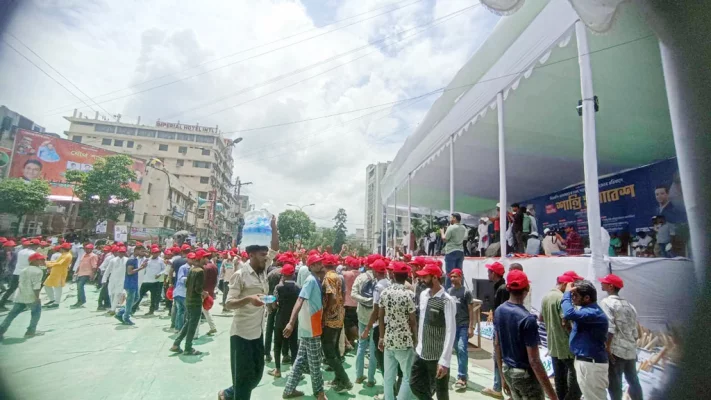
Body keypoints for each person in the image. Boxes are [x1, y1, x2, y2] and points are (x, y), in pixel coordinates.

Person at [218, 216, 278, 400]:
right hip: (242, 334)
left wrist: (274, 226)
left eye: (266, 255)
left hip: (257, 332)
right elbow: (228, 303)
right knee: (244, 381)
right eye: (262, 254)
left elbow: (275, 248)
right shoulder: (240, 274)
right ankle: (233, 394)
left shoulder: (262, 267)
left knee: (256, 375)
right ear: (251, 255)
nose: (266, 257)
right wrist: (249, 299)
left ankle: (228, 394)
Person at [494, 269, 558, 400]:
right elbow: (534, 361)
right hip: (524, 376)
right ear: (527, 289)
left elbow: (496, 346)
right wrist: (552, 395)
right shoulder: (528, 319)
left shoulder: (499, 311)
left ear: (508, 288)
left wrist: (502, 377)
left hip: (508, 370)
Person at [282, 254, 327, 400]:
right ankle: (319, 392)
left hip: (310, 325)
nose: (321, 265)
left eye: (321, 262)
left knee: (301, 359)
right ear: (311, 267)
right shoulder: (311, 281)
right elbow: (300, 300)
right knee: (315, 361)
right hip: (311, 326)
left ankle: (289, 389)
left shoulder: (315, 280)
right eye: (317, 263)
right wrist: (291, 322)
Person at [410, 263, 456, 400]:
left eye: (425, 277)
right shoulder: (424, 294)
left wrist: (444, 361)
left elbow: (450, 331)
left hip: (437, 356)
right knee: (415, 384)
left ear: (435, 277)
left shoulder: (447, 301)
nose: (422, 280)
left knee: (442, 393)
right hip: (421, 351)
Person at [561, 280, 609, 400]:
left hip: (591, 364)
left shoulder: (593, 313)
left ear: (587, 298)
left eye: (575, 295)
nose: (573, 298)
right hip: (587, 363)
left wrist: (566, 294)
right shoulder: (587, 312)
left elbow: (569, 313)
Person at [598, 274, 642, 400]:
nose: (601, 284)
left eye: (604, 282)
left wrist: (607, 348)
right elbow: (635, 331)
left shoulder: (606, 303)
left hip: (616, 350)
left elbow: (610, 328)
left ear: (610, 286)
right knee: (633, 380)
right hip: (630, 350)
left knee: (615, 383)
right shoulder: (629, 305)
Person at [378, 261, 417, 400]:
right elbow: (413, 321)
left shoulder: (385, 293)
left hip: (389, 339)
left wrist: (381, 338)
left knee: (389, 377)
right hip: (404, 341)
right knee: (407, 376)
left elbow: (380, 317)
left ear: (393, 275)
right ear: (406, 276)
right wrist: (416, 341)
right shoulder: (409, 295)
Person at [540, 274, 581, 400]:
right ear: (565, 284)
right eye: (572, 286)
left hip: (553, 344)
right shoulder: (563, 298)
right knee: (576, 378)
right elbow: (565, 322)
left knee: (559, 378)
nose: (573, 291)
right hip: (566, 345)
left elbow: (540, 318)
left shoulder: (546, 296)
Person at [322, 253, 353, 393]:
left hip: (331, 318)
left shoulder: (328, 277)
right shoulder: (338, 276)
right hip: (340, 316)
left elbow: (332, 298)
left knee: (328, 351)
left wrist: (325, 314)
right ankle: (338, 378)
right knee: (334, 350)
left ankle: (345, 380)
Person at [0, 252, 45, 341]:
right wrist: (37, 298)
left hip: (20, 295)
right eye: (40, 259)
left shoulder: (24, 270)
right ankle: (31, 331)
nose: (42, 261)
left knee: (12, 315)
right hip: (31, 296)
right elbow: (36, 286)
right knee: (35, 314)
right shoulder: (38, 271)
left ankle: (1, 330)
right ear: (35, 261)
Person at [170, 250, 206, 355]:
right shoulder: (200, 271)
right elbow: (198, 289)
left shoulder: (192, 269)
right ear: (200, 259)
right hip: (195, 301)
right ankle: (188, 347)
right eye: (205, 257)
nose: (207, 259)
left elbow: (187, 285)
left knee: (188, 322)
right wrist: (204, 293)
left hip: (188, 299)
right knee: (192, 325)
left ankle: (176, 344)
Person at [481, 261, 509, 399]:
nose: (488, 274)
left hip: (501, 330)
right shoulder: (499, 287)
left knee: (499, 357)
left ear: (495, 274)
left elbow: (502, 311)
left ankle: (498, 387)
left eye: (489, 271)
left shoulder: (502, 289)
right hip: (500, 329)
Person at [268, 263, 300, 378]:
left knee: (277, 345)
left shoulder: (278, 287)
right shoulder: (298, 287)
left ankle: (277, 370)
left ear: (283, 275)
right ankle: (295, 372)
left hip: (280, 319)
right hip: (293, 321)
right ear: (293, 275)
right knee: (293, 346)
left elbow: (274, 305)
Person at [446, 268, 475, 391]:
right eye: (451, 277)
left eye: (455, 276)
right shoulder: (449, 291)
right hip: (452, 326)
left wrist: (471, 327)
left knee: (462, 349)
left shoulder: (466, 292)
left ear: (461, 277)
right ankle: (463, 372)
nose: (453, 279)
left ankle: (462, 377)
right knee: (457, 350)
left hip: (463, 325)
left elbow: (470, 310)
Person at [361, 259, 391, 379]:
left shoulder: (378, 286)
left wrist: (367, 329)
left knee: (381, 357)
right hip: (389, 323)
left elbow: (376, 310)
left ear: (376, 271)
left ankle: (388, 391)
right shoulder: (389, 283)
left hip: (380, 325)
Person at [352, 255, 378, 387]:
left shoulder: (360, 277)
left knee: (361, 346)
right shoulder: (381, 279)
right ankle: (371, 379)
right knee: (373, 349)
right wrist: (372, 301)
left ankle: (358, 376)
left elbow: (353, 294)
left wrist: (365, 301)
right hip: (376, 317)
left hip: (362, 315)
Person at [0, 239, 34, 310]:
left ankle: (1, 304)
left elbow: (12, 262)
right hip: (25, 273)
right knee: (26, 289)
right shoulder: (33, 253)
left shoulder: (19, 252)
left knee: (11, 289)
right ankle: (24, 305)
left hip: (16, 272)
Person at [134, 246, 165, 315]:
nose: (155, 254)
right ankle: (133, 309)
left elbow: (164, 269)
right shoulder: (147, 260)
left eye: (157, 253)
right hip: (146, 281)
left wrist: (159, 274)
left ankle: (151, 311)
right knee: (139, 296)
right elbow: (141, 267)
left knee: (153, 298)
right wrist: (143, 265)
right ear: (151, 253)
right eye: (154, 253)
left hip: (155, 282)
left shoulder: (161, 260)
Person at [121, 246, 148, 325]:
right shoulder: (132, 260)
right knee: (130, 300)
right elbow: (129, 272)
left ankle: (122, 312)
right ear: (137, 250)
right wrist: (141, 268)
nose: (144, 253)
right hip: (130, 283)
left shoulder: (135, 259)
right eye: (142, 251)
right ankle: (126, 317)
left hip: (134, 282)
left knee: (136, 298)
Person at [43, 242, 73, 308]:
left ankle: (56, 303)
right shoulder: (63, 254)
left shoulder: (67, 255)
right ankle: (52, 300)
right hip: (55, 272)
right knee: (47, 285)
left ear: (63, 249)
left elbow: (59, 263)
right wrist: (47, 262)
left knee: (57, 288)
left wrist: (47, 264)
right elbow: (56, 262)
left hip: (60, 273)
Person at [441, 213, 466, 289]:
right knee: (459, 273)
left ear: (454, 218)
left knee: (449, 274)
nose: (450, 219)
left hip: (451, 251)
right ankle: (460, 290)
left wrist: (442, 232)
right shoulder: (463, 228)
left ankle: (448, 292)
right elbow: (464, 238)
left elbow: (445, 239)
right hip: (460, 251)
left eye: (451, 217)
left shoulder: (451, 228)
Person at [342, 256, 361, 355]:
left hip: (347, 303)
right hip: (358, 303)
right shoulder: (362, 275)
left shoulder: (346, 274)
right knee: (355, 322)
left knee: (347, 324)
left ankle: (349, 342)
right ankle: (352, 341)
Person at [71, 243, 97, 308]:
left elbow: (94, 266)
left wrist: (92, 275)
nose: (86, 250)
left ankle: (81, 301)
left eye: (88, 249)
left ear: (91, 249)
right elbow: (80, 264)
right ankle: (80, 300)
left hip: (87, 273)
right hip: (80, 273)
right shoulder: (84, 255)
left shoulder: (93, 256)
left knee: (80, 286)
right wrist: (76, 272)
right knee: (79, 287)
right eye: (86, 249)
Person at [201, 253, 218, 336]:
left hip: (204, 291)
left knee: (199, 312)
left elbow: (203, 280)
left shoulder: (205, 267)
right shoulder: (214, 266)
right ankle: (212, 327)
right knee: (205, 310)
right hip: (211, 290)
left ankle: (195, 334)